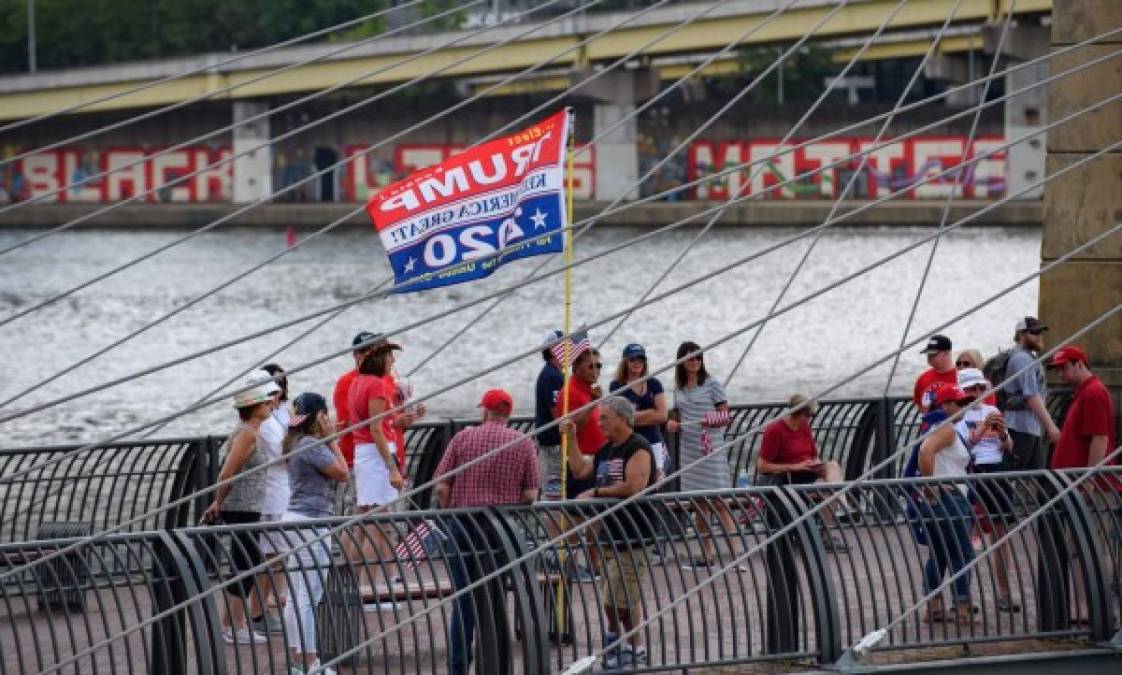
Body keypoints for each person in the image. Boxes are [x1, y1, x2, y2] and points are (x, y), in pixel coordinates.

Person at [433, 389, 540, 675]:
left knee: (464, 600)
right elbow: (530, 493)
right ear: (509, 414)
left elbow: (442, 486)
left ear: (485, 412)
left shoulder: (463, 438)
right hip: (500, 529)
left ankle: (459, 668)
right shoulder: (523, 442)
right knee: (494, 598)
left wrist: (449, 511)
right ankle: (493, 665)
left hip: (463, 526)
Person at [560, 396, 656, 670]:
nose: (599, 422)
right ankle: (631, 647)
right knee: (619, 597)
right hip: (609, 536)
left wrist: (597, 492)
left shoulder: (638, 447)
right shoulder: (606, 450)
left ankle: (618, 643)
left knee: (618, 599)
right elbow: (579, 470)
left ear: (623, 419)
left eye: (605, 417)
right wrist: (572, 439)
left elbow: (634, 486)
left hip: (634, 536)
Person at [200, 374, 280, 645]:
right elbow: (227, 474)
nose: (271, 403)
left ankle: (235, 625)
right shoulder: (246, 433)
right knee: (244, 564)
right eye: (265, 401)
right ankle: (232, 627)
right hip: (241, 507)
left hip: (248, 506)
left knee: (245, 563)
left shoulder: (250, 430)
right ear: (253, 406)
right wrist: (218, 503)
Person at [280, 392, 349, 675]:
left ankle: (297, 660)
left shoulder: (295, 442)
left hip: (294, 519)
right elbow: (343, 473)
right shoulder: (312, 444)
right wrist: (333, 439)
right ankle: (311, 664)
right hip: (312, 523)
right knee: (310, 596)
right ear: (319, 417)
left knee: (297, 594)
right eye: (326, 415)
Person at [665, 341, 736, 568]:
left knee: (719, 501)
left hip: (711, 448)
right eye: (690, 358)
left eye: (698, 357)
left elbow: (726, 416)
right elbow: (677, 418)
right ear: (682, 362)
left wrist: (709, 419)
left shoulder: (712, 384)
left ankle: (736, 554)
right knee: (698, 504)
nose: (695, 361)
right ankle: (707, 555)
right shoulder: (679, 389)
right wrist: (673, 425)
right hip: (690, 449)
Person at [957, 368, 1019, 612]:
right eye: (971, 389)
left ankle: (1003, 593)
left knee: (1001, 534)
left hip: (996, 472)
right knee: (965, 535)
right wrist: (983, 429)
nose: (976, 393)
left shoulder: (992, 411)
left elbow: (1008, 447)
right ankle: (963, 596)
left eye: (980, 388)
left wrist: (1003, 433)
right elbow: (964, 446)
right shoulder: (958, 415)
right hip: (972, 472)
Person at [347, 337, 405, 591]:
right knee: (376, 524)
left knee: (363, 521)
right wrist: (391, 467)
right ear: (380, 359)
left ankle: (353, 584)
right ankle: (369, 590)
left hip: (364, 453)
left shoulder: (357, 382)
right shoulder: (377, 386)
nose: (393, 361)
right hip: (376, 456)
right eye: (390, 356)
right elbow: (376, 429)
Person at [756, 394, 850, 551]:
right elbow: (762, 466)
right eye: (808, 415)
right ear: (797, 412)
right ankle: (825, 534)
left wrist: (815, 464)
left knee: (833, 466)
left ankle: (842, 507)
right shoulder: (775, 429)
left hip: (807, 474)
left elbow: (813, 455)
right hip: (788, 479)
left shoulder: (804, 427)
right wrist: (795, 466)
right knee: (827, 492)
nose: (810, 419)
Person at [916, 383, 976, 625]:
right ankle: (962, 608)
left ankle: (933, 608)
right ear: (946, 405)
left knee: (938, 555)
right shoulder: (946, 429)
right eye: (959, 402)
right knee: (962, 554)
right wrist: (931, 487)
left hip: (937, 501)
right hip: (949, 500)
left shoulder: (936, 426)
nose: (965, 406)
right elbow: (925, 452)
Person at [554, 347, 606, 580]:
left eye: (599, 365)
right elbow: (571, 428)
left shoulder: (590, 390)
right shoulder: (570, 392)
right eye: (590, 366)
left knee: (596, 514)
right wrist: (592, 404)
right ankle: (571, 564)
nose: (596, 370)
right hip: (579, 459)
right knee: (576, 515)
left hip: (597, 459)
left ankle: (594, 564)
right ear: (576, 367)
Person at [252, 365, 290, 634]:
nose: (277, 396)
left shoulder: (277, 416)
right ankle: (258, 613)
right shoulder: (265, 422)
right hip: (272, 494)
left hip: (282, 490)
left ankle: (264, 606)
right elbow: (281, 452)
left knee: (277, 556)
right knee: (270, 557)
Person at [1004, 317, 1061, 471]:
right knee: (1021, 477)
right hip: (1020, 428)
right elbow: (1031, 395)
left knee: (1034, 477)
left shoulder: (1027, 357)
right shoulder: (1022, 359)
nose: (1039, 336)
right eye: (1035, 332)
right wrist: (1051, 427)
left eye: (1041, 332)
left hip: (1028, 427)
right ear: (1022, 335)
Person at [609, 343, 669, 480]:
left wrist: (633, 417)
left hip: (653, 441)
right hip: (629, 443)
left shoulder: (654, 383)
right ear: (625, 362)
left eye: (640, 359)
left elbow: (663, 415)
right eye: (632, 359)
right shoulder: (617, 386)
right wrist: (651, 412)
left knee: (655, 482)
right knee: (631, 480)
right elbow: (620, 419)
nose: (637, 362)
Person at [535, 330, 566, 499]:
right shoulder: (551, 376)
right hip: (552, 444)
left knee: (560, 494)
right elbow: (558, 412)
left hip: (555, 444)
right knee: (555, 496)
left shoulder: (556, 373)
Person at [914, 334, 958, 414]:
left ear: (947, 353)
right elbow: (920, 406)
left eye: (933, 354)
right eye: (928, 354)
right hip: (930, 425)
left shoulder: (961, 376)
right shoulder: (923, 378)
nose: (929, 357)